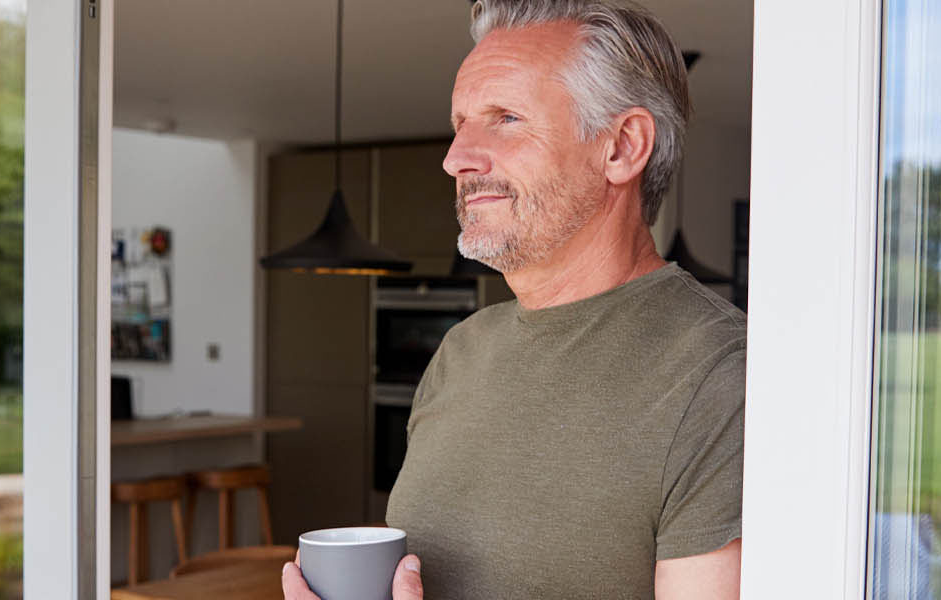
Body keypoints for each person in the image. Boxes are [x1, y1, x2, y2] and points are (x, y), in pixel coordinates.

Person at [284, 0, 742, 597]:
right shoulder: (462, 350)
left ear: (623, 147)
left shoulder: (718, 374)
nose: (455, 159)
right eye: (460, 124)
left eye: (505, 118)